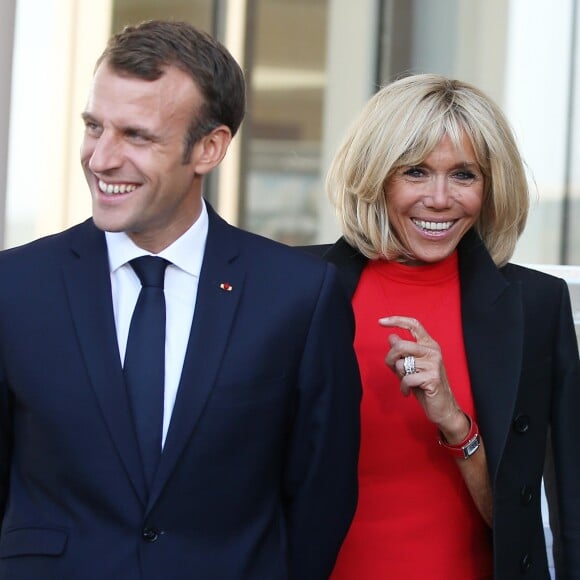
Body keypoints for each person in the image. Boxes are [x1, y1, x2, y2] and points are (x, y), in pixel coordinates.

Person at [0, 20, 361, 580]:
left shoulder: (298, 297)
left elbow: (321, 495)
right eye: (95, 127)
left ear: (210, 148)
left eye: (136, 136)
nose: (100, 159)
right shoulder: (15, 286)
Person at [312, 74, 580, 578]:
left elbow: (545, 515)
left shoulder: (536, 306)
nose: (440, 199)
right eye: (415, 171)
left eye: (464, 175)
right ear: (375, 176)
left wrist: (455, 423)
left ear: (490, 185)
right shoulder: (295, 289)